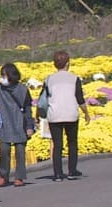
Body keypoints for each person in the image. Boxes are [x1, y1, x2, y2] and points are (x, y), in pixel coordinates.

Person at [44, 50, 91, 182]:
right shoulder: (74, 78)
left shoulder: (49, 79)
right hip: (71, 114)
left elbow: (44, 98)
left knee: (57, 145)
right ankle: (72, 170)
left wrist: (38, 115)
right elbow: (80, 99)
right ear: (68, 63)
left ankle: (58, 174)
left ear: (55, 64)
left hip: (55, 114)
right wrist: (86, 113)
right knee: (72, 142)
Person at [0, 63, 35, 187]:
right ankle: (3, 176)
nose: (2, 78)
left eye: (4, 75)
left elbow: (28, 108)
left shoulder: (22, 89)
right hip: (5, 123)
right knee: (4, 150)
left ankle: (19, 177)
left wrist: (29, 126)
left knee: (20, 151)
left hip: (20, 123)